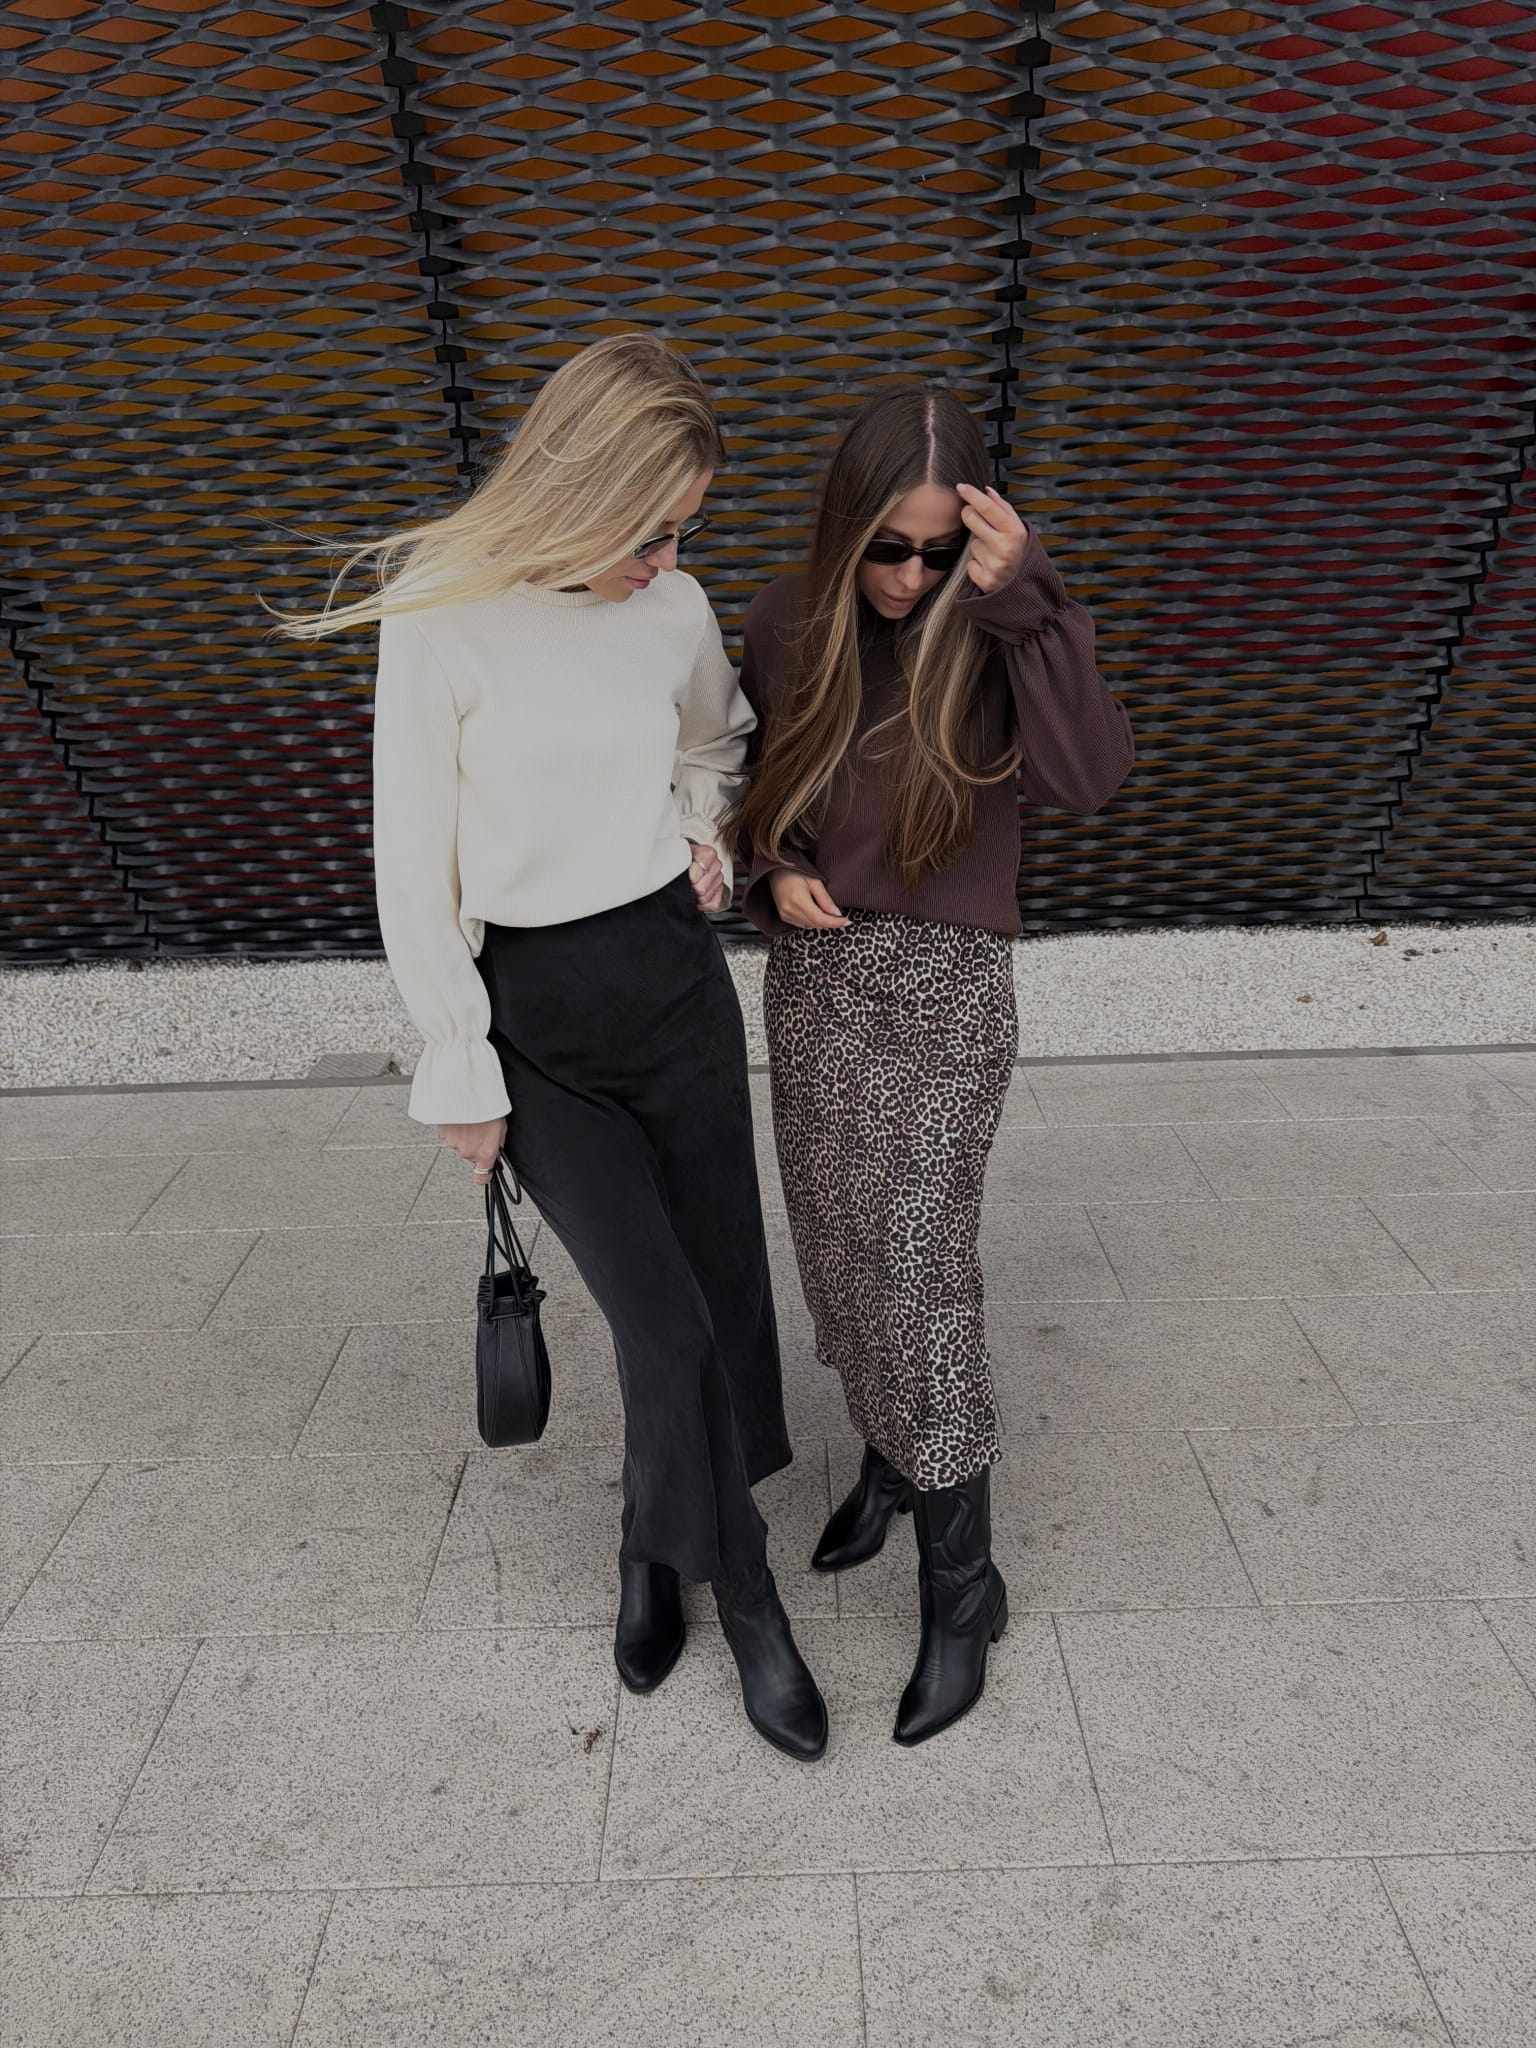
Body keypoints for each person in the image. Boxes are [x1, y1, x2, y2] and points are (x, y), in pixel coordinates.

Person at [281, 334, 827, 1762]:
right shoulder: (442, 614)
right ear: (581, 492)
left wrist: (703, 838)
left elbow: (716, 743)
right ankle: (749, 1594)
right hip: (536, 1019)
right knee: (663, 1321)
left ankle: (653, 1544)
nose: (668, 561)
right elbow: (412, 869)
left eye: (684, 532)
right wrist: (458, 1067)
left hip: (671, 984)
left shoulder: (673, 609)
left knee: (722, 1296)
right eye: (650, 532)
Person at [732, 385, 1133, 1746]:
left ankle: (965, 1590)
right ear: (846, 531)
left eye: (936, 553)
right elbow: (760, 784)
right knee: (840, 1249)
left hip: (951, 984)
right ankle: (893, 1459)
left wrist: (1025, 601)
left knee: (917, 1268)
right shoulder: (787, 620)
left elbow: (1088, 777)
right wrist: (773, 870)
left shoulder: (1007, 623)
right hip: (820, 974)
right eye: (887, 551)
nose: (909, 579)